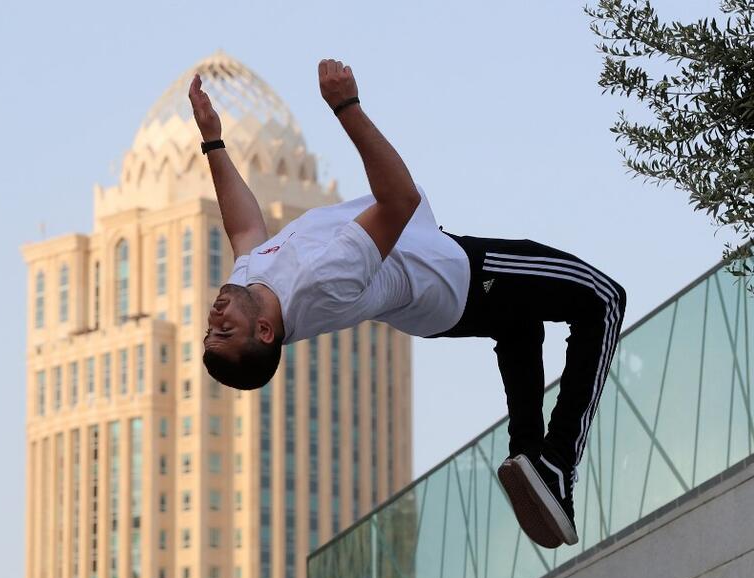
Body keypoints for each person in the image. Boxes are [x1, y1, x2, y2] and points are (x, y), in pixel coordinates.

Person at [188, 59, 626, 548]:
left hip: (435, 297)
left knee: (520, 323)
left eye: (211, 329)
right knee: (603, 298)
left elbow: (245, 228)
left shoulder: (250, 284)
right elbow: (399, 200)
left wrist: (213, 140)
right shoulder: (322, 282)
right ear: (265, 332)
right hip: (457, 277)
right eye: (224, 330)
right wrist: (347, 108)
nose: (215, 317)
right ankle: (559, 463)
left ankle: (529, 458)